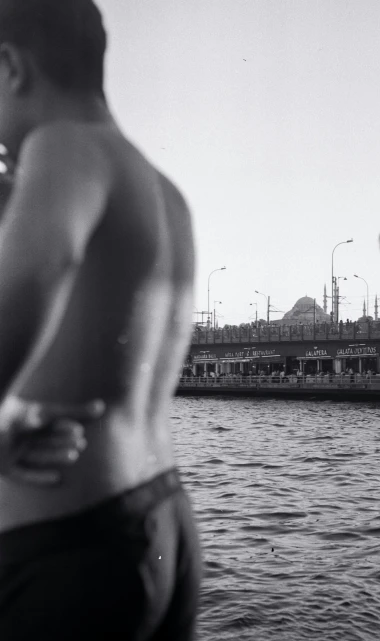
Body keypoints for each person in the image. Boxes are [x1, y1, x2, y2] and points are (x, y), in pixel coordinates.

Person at [0, 2, 201, 640]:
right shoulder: (162, 188)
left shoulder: (61, 146)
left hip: (68, 547)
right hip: (160, 523)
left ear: (9, 67)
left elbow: (39, 268)